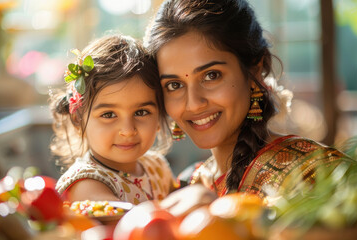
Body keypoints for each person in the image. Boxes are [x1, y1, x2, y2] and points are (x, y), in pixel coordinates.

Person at [144, 0, 346, 215]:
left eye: (211, 75)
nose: (193, 103)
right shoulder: (187, 185)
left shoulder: (320, 175)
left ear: (254, 71)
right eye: (174, 85)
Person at [53, 35, 177, 205]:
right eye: (109, 115)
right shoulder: (86, 183)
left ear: (160, 114)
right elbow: (130, 227)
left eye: (141, 112)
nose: (127, 130)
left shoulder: (157, 167)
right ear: (78, 119)